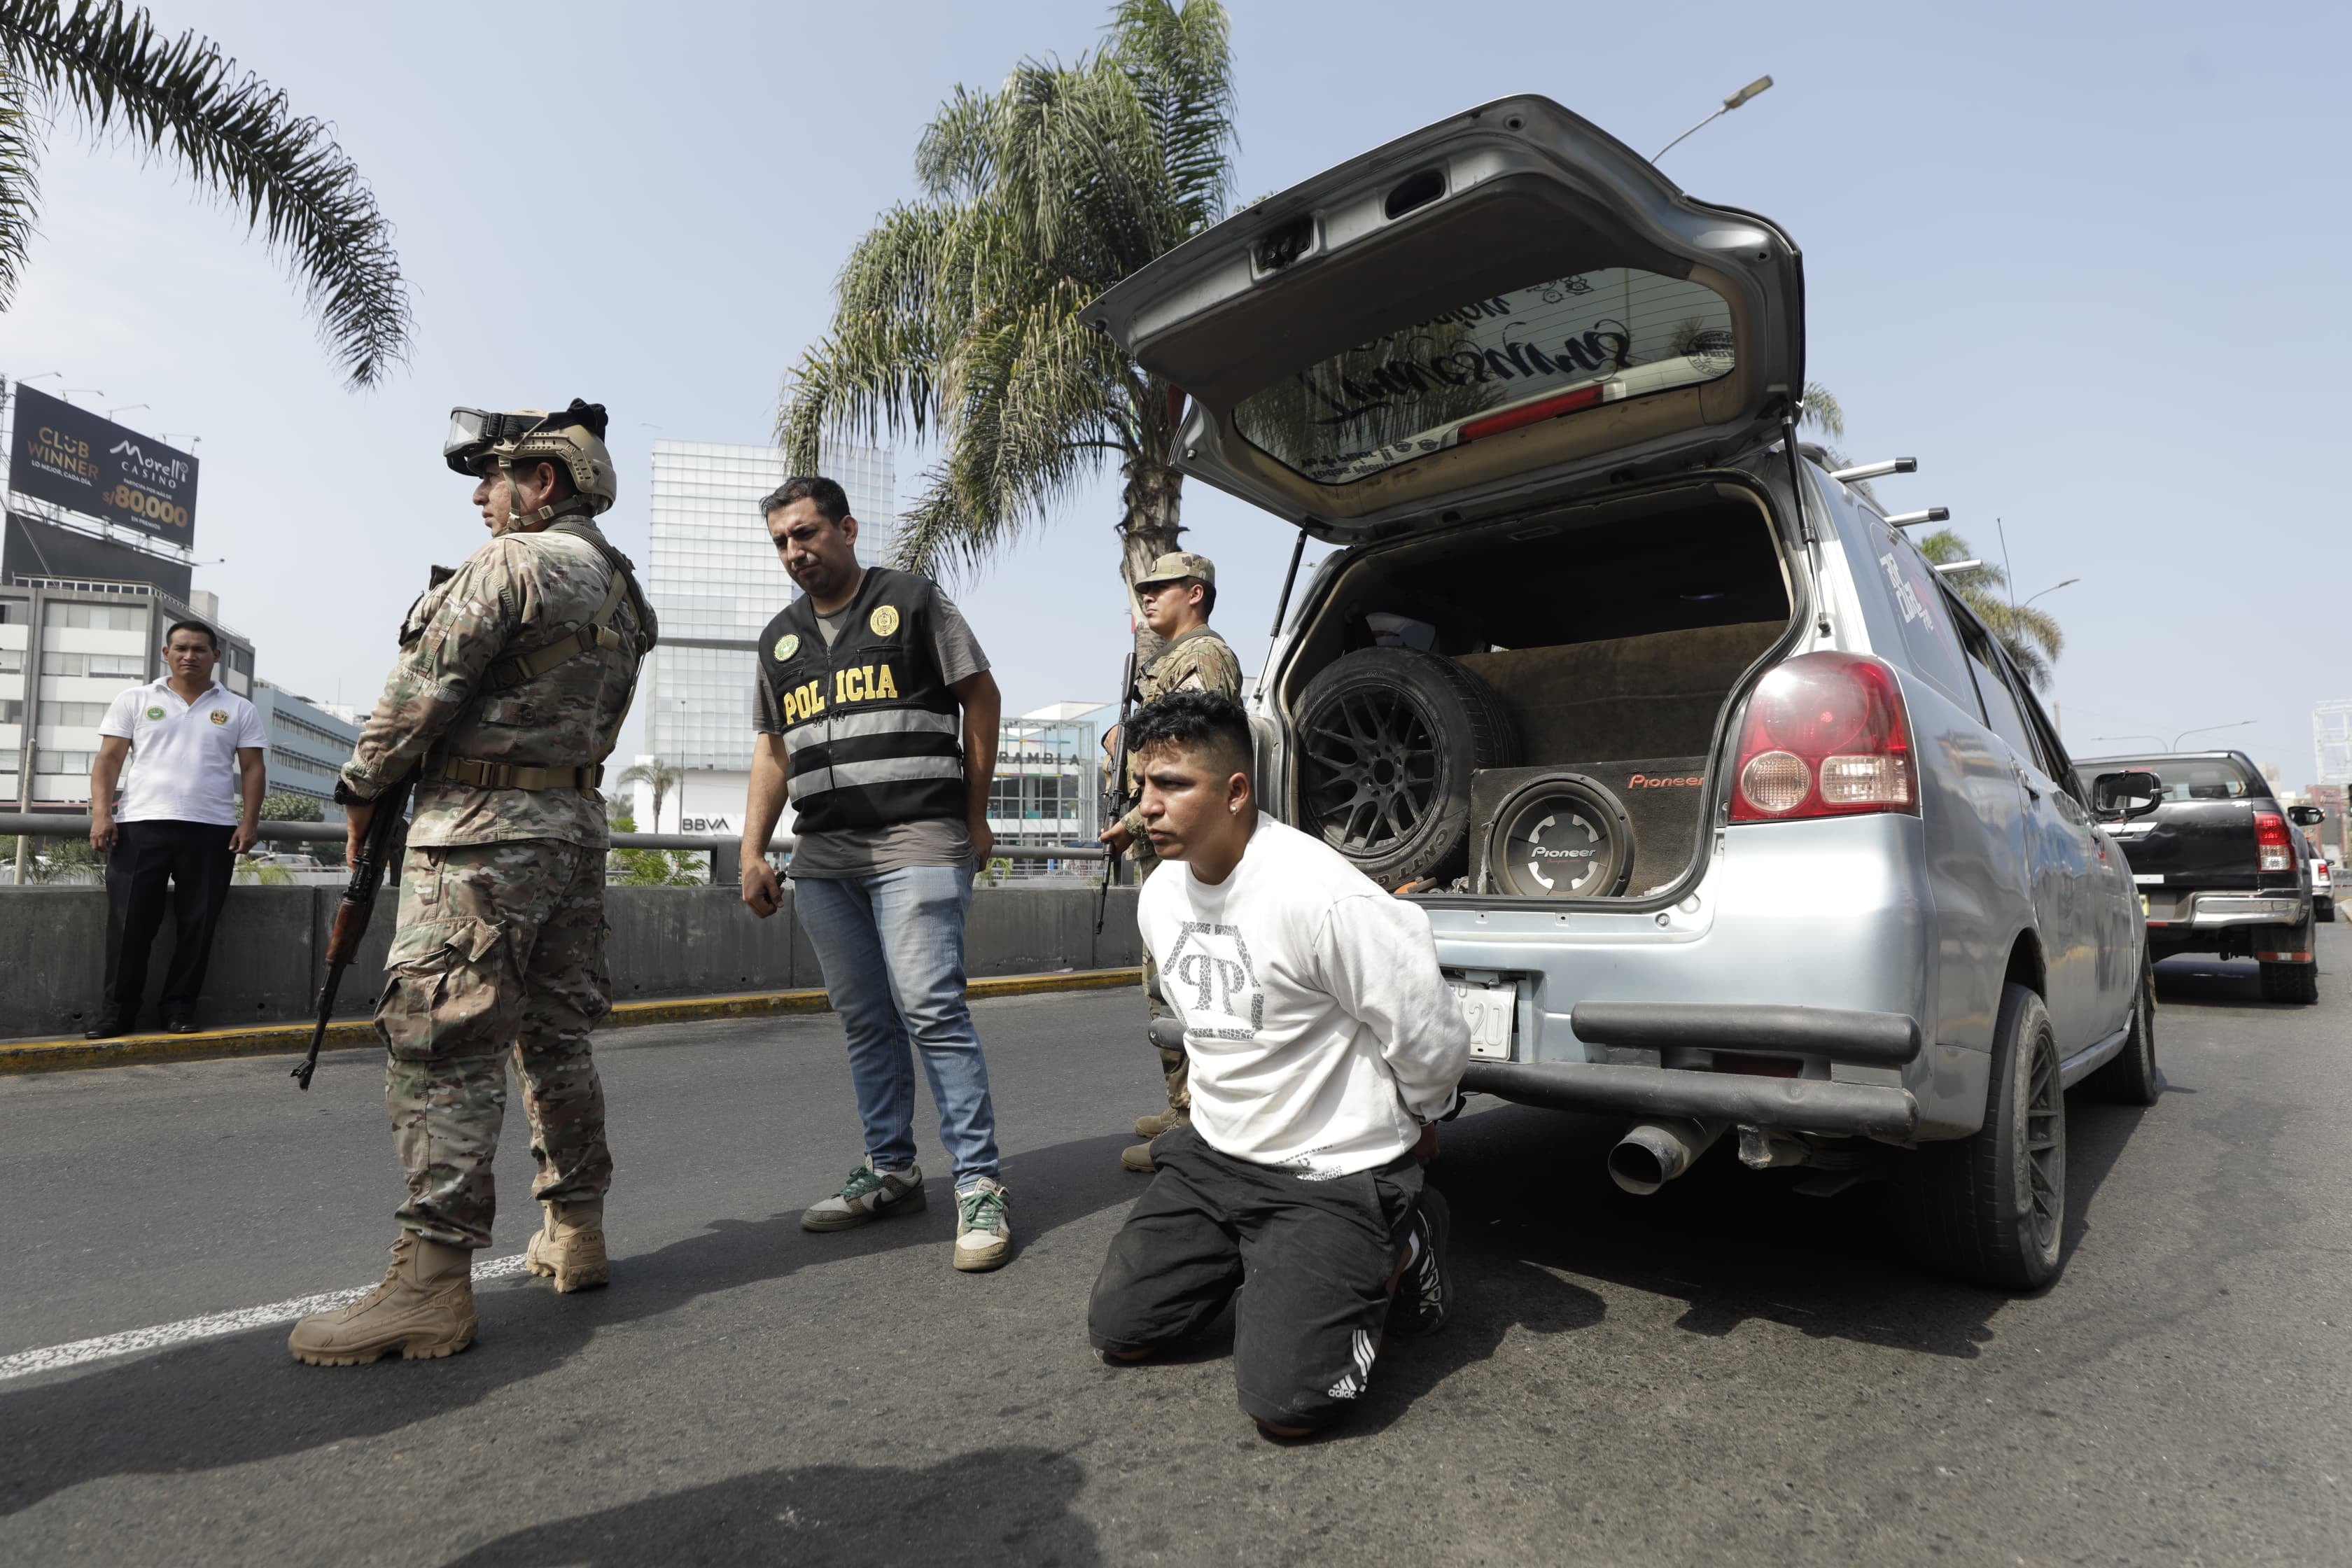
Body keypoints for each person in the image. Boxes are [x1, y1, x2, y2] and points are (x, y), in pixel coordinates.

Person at [289, 400, 656, 1366]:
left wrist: (361, 788)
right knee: (556, 1034)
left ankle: (431, 1286)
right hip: (573, 832)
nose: (484, 501)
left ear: (542, 484)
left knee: (443, 1042)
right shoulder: (623, 592)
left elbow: (419, 694)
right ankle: (575, 1231)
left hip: (481, 840)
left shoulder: (514, 565)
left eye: (495, 481)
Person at [1087, 690, 1468, 1439]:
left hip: (1330, 1169)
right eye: (1142, 787)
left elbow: (1430, 1026)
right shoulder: (1160, 894)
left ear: (1236, 791)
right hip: (1218, 1154)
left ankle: (1408, 1229)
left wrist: (1422, 1114)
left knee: (1289, 1405)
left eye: (1172, 785)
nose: (1147, 807)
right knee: (1121, 1330)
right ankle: (1267, 1258)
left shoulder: (1320, 894)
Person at [737, 475, 1014, 1273]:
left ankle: (980, 1183)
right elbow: (773, 751)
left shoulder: (914, 601)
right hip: (824, 856)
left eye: (806, 533)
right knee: (866, 1019)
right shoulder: (778, 640)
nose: (795, 551)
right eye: (783, 541)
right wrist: (755, 850)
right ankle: (892, 1168)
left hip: (918, 839)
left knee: (931, 1008)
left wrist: (975, 812)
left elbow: (981, 695)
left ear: (846, 527)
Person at [1097, 552, 1243, 1174]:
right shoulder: (1168, 664)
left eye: (1160, 589)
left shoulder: (1203, 658)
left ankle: (1196, 1125)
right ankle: (1182, 1104)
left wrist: (1132, 824)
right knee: (1166, 985)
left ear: (1197, 593)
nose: (1147, 598)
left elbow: (1191, 760)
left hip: (1186, 849)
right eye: (1143, 590)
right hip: (1166, 850)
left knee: (1187, 986)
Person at [83, 619, 267, 1037]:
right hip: (140, 826)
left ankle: (179, 1009)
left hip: (212, 829)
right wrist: (101, 813)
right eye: (180, 648)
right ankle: (116, 1013)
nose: (190, 656)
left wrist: (249, 822)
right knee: (129, 924)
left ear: (215, 657)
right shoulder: (136, 699)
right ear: (166, 653)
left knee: (198, 925)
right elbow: (108, 761)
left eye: (200, 649)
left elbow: (253, 768)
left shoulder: (239, 708)